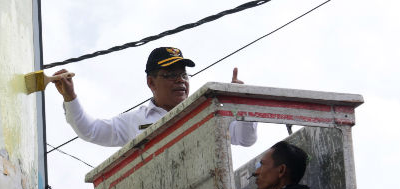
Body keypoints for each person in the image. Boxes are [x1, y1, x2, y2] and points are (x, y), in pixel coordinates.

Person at [53, 46, 257, 147]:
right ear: (151, 82)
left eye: (183, 74)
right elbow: (91, 131)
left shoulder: (206, 113)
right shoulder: (134, 121)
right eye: (171, 75)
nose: (181, 81)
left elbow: (246, 139)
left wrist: (243, 103)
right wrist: (70, 96)